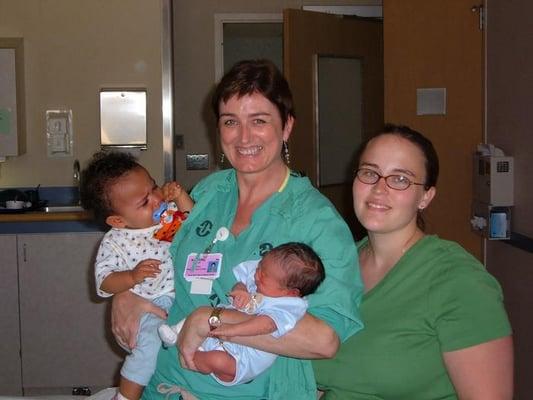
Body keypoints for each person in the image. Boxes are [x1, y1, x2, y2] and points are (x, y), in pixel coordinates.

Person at [111, 59, 364, 400]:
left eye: (259, 121)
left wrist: (213, 320)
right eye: (231, 122)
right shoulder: (208, 193)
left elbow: (323, 340)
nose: (244, 137)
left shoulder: (317, 222)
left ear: (287, 126)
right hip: (161, 385)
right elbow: (154, 251)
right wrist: (126, 292)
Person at [313, 124, 514, 399]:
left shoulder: (458, 281)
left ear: (425, 196)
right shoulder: (335, 266)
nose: (379, 189)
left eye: (400, 179)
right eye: (370, 173)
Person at [79, 151, 194, 400]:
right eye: (144, 202)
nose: (156, 199)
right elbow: (105, 283)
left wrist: (181, 196)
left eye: (153, 187)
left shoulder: (165, 221)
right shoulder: (116, 242)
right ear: (118, 220)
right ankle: (125, 396)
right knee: (149, 345)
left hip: (178, 299)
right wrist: (131, 277)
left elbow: (192, 223)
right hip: (146, 307)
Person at [158, 242, 325, 386]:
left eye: (263, 276)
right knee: (201, 314)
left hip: (244, 358)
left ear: (291, 292)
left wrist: (233, 331)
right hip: (221, 329)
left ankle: (194, 360)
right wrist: (241, 289)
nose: (257, 275)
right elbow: (241, 280)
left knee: (217, 360)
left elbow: (266, 325)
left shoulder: (289, 306)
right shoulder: (265, 272)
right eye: (260, 267)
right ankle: (175, 332)